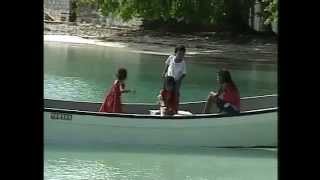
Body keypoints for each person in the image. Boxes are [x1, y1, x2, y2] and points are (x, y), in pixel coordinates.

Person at [161, 45, 187, 110]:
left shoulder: (183, 63)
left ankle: (174, 108)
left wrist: (179, 80)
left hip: (176, 80)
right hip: (168, 78)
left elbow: (184, 74)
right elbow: (167, 65)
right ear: (175, 53)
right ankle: (164, 104)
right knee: (166, 92)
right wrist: (164, 72)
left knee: (175, 94)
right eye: (179, 54)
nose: (181, 56)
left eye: (183, 54)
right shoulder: (171, 57)